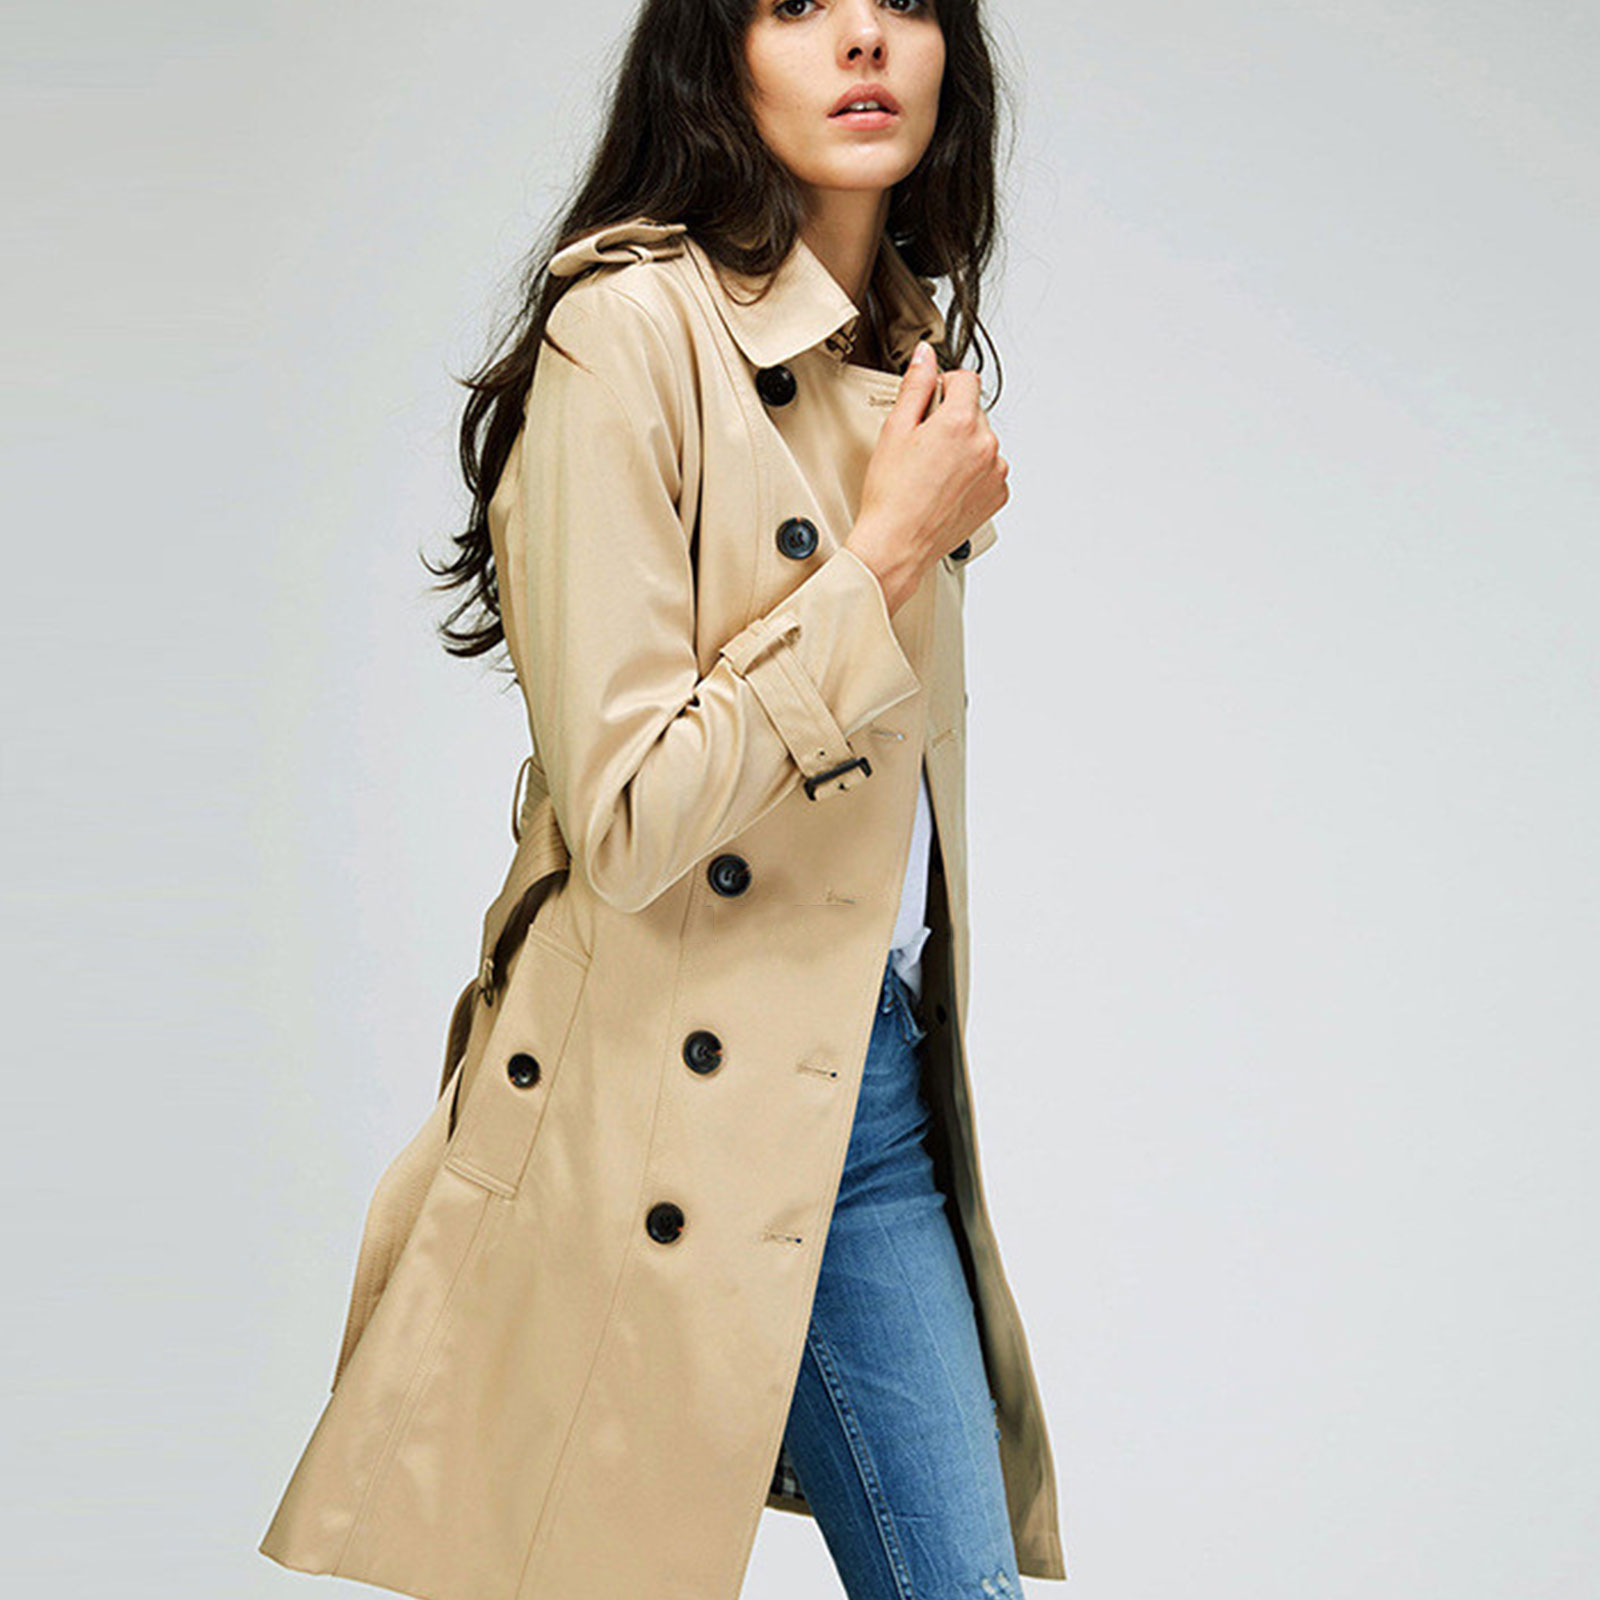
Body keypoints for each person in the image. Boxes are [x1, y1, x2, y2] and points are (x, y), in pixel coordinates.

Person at [260, 2, 1066, 1595]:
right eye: (799, 2)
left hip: (873, 1089)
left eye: (905, 2)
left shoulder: (895, 353)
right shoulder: (624, 334)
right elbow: (629, 816)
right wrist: (886, 557)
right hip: (658, 1105)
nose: (863, 40)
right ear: (715, 52)